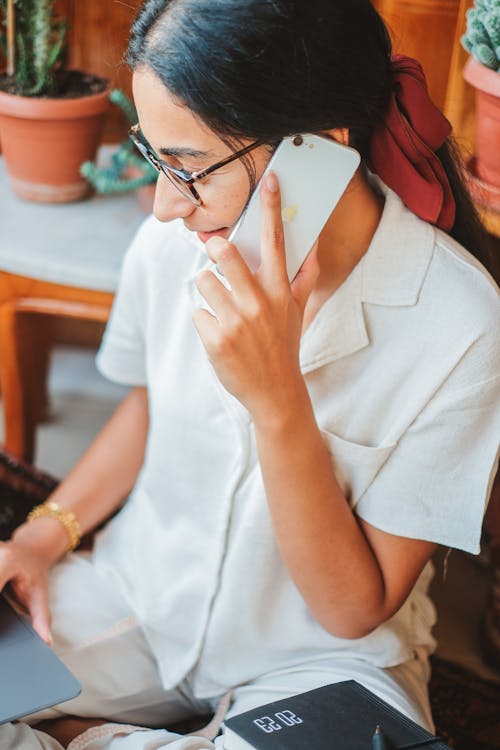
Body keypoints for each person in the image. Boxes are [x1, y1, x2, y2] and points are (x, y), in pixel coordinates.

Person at [1, 1, 499, 748]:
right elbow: (148, 407)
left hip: (323, 660)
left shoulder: (462, 324)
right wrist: (44, 537)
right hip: (139, 592)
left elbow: (352, 610)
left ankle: (80, 735)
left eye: (191, 168)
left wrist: (277, 402)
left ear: (321, 148)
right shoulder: (174, 243)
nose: (167, 206)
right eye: (156, 158)